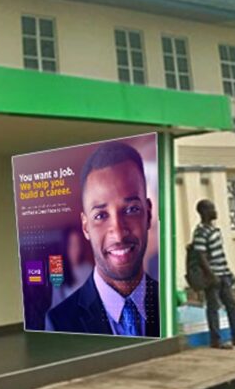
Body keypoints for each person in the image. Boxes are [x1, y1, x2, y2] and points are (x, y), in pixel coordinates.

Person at [46, 141, 160, 337]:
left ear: (148, 214)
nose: (117, 232)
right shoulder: (59, 315)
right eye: (101, 216)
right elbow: (56, 298)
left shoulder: (164, 300)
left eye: (131, 210)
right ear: (85, 227)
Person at [192, 200, 235, 350]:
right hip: (213, 276)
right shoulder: (201, 231)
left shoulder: (214, 230)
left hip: (224, 274)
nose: (215, 211)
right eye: (212, 209)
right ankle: (216, 340)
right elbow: (201, 255)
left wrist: (228, 272)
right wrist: (211, 275)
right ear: (204, 212)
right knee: (213, 308)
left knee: (231, 305)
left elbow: (219, 254)